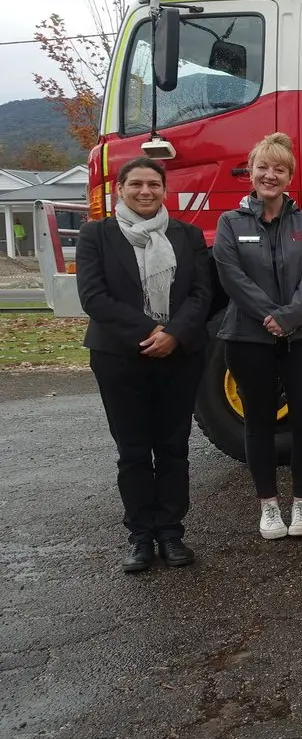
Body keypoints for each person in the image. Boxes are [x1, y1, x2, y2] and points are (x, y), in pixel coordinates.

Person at [78, 157, 211, 572]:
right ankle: (140, 535)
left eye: (153, 184)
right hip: (119, 358)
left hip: (178, 356)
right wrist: (150, 332)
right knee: (133, 450)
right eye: (136, 184)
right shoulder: (95, 235)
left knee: (173, 449)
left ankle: (171, 533)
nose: (145, 191)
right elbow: (94, 297)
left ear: (165, 190)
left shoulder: (187, 236)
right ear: (119, 189)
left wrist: (173, 334)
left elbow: (203, 294)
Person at [213, 132, 302, 540]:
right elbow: (231, 276)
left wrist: (290, 317)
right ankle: (268, 506)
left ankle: (301, 503)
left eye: (279, 169)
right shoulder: (230, 223)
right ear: (250, 173)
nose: (270, 175)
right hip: (249, 338)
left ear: (289, 176)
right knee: (259, 423)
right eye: (263, 167)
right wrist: (271, 316)